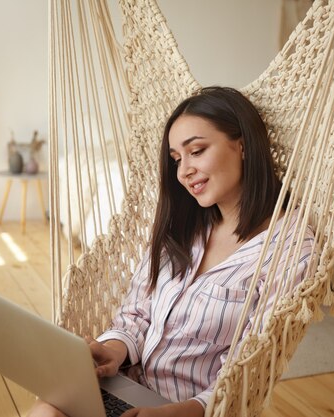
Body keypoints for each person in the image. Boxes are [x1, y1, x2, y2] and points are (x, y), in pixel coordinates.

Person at [29, 86, 314, 417]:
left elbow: (249, 369)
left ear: (243, 145)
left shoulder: (289, 250)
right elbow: (136, 314)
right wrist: (114, 350)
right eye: (177, 159)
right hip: (128, 385)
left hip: (188, 410)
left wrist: (178, 412)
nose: (183, 171)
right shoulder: (184, 227)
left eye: (197, 150)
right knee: (47, 408)